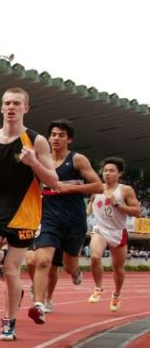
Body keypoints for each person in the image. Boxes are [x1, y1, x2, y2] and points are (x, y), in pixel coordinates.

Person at [0, 88, 58, 341]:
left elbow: (53, 180)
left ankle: (9, 321)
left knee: (11, 271)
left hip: (24, 216)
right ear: (1, 108)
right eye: (7, 103)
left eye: (17, 103)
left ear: (26, 108)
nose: (11, 107)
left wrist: (34, 163)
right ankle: (2, 256)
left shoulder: (37, 141)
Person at [27, 120, 102, 324]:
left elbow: (99, 186)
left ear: (69, 139)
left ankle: (75, 272)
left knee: (69, 266)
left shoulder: (77, 160)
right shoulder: (41, 160)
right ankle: (40, 305)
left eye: (61, 135)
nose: (56, 138)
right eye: (53, 134)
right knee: (42, 261)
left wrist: (68, 188)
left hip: (74, 220)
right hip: (48, 218)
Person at [88, 157, 141, 311]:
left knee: (117, 267)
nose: (107, 174)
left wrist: (117, 204)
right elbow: (88, 212)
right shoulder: (97, 188)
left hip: (118, 232)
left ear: (119, 174)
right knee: (95, 256)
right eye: (105, 171)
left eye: (111, 171)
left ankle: (116, 295)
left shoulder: (125, 190)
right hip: (100, 228)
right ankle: (98, 288)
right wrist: (90, 203)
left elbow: (137, 212)